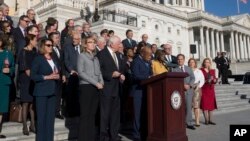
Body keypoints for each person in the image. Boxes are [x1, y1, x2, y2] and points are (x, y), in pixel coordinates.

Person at [31, 38, 60, 141]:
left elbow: (56, 72)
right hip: (41, 92)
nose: (50, 47)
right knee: (42, 120)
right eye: (48, 45)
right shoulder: (38, 59)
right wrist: (47, 77)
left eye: (51, 45)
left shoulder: (54, 59)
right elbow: (33, 76)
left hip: (52, 92)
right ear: (43, 46)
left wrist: (57, 76)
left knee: (50, 120)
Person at [97, 35, 125, 141]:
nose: (120, 45)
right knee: (104, 115)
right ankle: (103, 136)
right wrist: (110, 75)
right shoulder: (101, 54)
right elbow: (98, 71)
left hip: (117, 89)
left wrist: (121, 75)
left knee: (115, 115)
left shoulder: (118, 55)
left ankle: (114, 135)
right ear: (112, 44)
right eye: (118, 43)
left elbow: (120, 69)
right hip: (106, 89)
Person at [77, 36, 104, 141]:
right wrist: (96, 83)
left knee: (92, 114)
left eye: (93, 42)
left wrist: (101, 81)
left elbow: (99, 72)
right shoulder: (81, 56)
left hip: (96, 88)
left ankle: (90, 138)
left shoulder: (96, 57)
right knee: (85, 114)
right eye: (90, 42)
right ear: (85, 44)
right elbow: (81, 72)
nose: (93, 44)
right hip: (86, 87)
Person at [131, 47, 153, 140]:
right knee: (137, 113)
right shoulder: (136, 62)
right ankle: (136, 134)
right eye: (148, 55)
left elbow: (150, 73)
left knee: (144, 113)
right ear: (143, 53)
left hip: (146, 90)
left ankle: (144, 132)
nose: (150, 57)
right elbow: (136, 76)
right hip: (138, 91)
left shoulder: (147, 62)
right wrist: (148, 77)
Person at [18, 34, 38, 135]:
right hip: (26, 80)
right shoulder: (23, 52)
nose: (36, 42)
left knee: (32, 103)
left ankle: (33, 125)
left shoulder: (35, 52)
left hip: (33, 79)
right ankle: (25, 126)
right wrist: (35, 77)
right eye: (35, 40)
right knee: (26, 103)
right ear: (30, 41)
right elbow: (25, 68)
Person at [173, 54, 195, 130]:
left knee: (189, 107)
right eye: (178, 59)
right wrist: (182, 85)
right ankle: (181, 123)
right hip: (180, 91)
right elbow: (174, 80)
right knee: (180, 108)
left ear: (184, 59)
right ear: (177, 60)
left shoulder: (189, 68)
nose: (180, 60)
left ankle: (189, 123)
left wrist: (189, 85)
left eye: (181, 59)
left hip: (189, 91)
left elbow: (193, 78)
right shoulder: (174, 70)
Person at [0, 35, 15, 139]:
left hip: (4, 83)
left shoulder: (7, 53)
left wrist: (9, 70)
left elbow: (13, 67)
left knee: (1, 108)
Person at [49, 32, 66, 119]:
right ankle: (51, 111)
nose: (58, 39)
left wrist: (63, 74)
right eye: (56, 38)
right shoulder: (49, 49)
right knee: (52, 93)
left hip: (59, 75)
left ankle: (57, 111)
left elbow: (62, 63)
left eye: (58, 38)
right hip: (51, 75)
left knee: (59, 94)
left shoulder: (60, 50)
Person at [64, 32, 81, 117]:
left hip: (80, 75)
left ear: (79, 40)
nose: (74, 40)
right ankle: (69, 112)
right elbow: (66, 61)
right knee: (70, 95)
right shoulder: (68, 47)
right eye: (73, 39)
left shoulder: (82, 48)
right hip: (71, 74)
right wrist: (71, 70)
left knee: (78, 95)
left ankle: (77, 111)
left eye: (76, 39)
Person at [200, 58, 217, 125]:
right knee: (205, 104)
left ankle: (211, 120)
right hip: (204, 89)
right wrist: (206, 81)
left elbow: (214, 78)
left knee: (211, 105)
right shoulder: (201, 70)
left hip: (211, 89)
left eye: (208, 62)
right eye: (205, 62)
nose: (207, 63)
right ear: (203, 63)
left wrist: (215, 80)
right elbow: (200, 80)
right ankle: (206, 120)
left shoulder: (212, 71)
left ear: (210, 63)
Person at [188, 58, 205, 127]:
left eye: (193, 62)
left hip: (197, 88)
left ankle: (197, 121)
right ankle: (188, 120)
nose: (191, 63)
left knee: (196, 105)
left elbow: (202, 80)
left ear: (195, 63)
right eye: (190, 62)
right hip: (189, 88)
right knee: (189, 105)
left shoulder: (199, 71)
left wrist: (199, 86)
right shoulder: (187, 70)